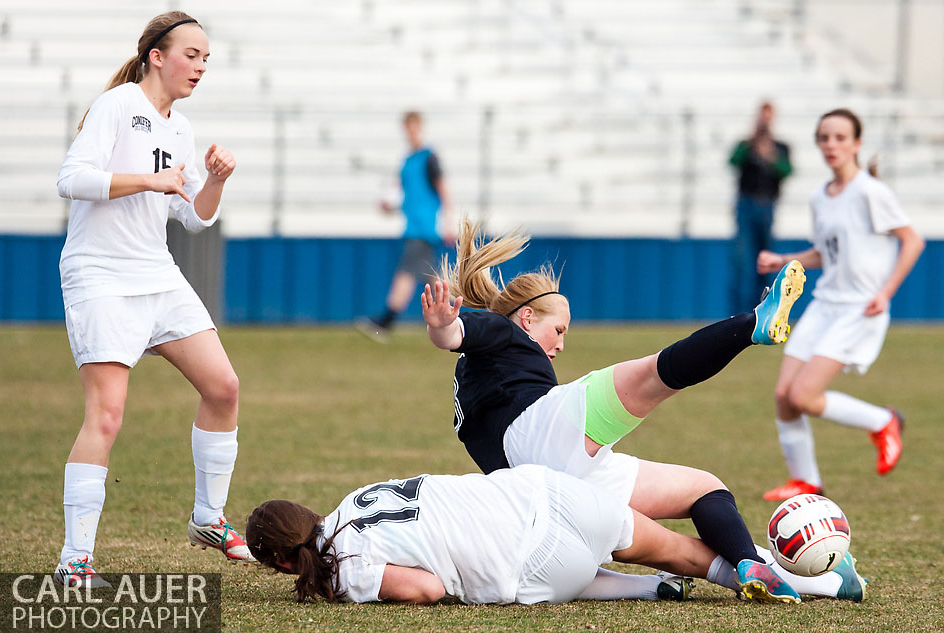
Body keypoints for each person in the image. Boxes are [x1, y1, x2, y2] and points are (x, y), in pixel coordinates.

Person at [419, 220, 867, 603]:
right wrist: (442, 325)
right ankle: (755, 324)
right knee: (655, 375)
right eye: (558, 329)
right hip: (538, 433)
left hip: (541, 492)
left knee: (700, 492)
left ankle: (799, 577)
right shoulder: (498, 331)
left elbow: (461, 341)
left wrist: (449, 330)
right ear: (526, 318)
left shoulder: (483, 367)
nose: (560, 344)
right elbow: (456, 332)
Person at [54, 11, 255, 587]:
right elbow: (71, 178)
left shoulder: (181, 129)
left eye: (206, 59)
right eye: (191, 55)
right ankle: (75, 560)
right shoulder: (116, 106)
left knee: (224, 386)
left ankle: (207, 518)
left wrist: (214, 179)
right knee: (107, 415)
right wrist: (145, 179)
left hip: (156, 274)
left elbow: (193, 218)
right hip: (100, 276)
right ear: (157, 57)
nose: (200, 66)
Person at [246, 464, 858, 605]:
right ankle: (825, 580)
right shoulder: (357, 498)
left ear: (281, 564)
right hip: (545, 492)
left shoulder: (344, 569)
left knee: (553, 577)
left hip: (537, 560)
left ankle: (643, 592)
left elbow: (427, 591)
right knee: (691, 553)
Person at [756, 108, 925, 501]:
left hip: (858, 307)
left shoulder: (871, 191)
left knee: (804, 396)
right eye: (824, 138)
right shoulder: (820, 196)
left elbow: (913, 241)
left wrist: (885, 292)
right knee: (784, 396)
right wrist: (784, 261)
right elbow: (825, 254)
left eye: (839, 137)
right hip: (824, 303)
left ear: (856, 144)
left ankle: (884, 421)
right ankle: (807, 481)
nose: (831, 145)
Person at [357, 111, 456, 341]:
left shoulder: (429, 157)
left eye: (413, 127)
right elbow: (406, 197)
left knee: (406, 274)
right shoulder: (407, 162)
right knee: (433, 277)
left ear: (420, 127)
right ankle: (458, 316)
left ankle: (386, 322)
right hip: (414, 226)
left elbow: (442, 189)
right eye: (407, 127)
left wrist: (449, 221)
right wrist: (389, 207)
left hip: (423, 228)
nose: (410, 131)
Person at [729, 101, 793, 314]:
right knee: (742, 261)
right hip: (746, 205)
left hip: (767, 205)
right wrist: (753, 144)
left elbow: (787, 171)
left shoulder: (780, 147)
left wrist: (771, 156)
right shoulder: (746, 144)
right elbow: (733, 161)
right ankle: (739, 312)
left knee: (765, 261)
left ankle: (763, 309)